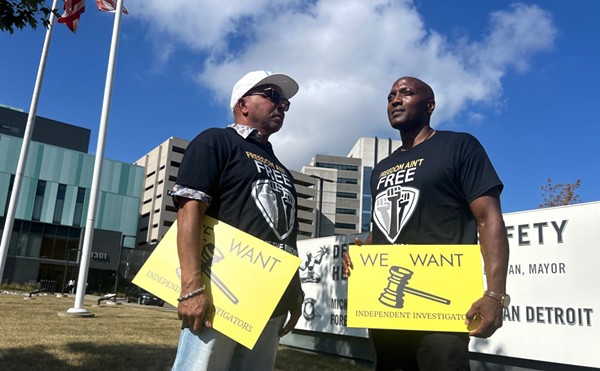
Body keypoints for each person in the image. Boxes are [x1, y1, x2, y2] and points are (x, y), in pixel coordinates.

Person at [342, 76, 510, 371]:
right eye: (391, 95)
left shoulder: (459, 146)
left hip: (442, 307)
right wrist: (361, 253)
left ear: (429, 105)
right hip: (386, 312)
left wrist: (495, 294)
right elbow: (384, 229)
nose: (395, 99)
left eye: (406, 93)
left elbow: (488, 218)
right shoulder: (381, 169)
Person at [170, 70, 304, 371]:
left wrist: (294, 291)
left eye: (285, 103)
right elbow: (189, 210)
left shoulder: (281, 167)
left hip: (269, 298)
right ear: (243, 104)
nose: (281, 105)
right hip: (221, 294)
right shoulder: (216, 141)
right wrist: (191, 288)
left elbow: (285, 236)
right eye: (272, 96)